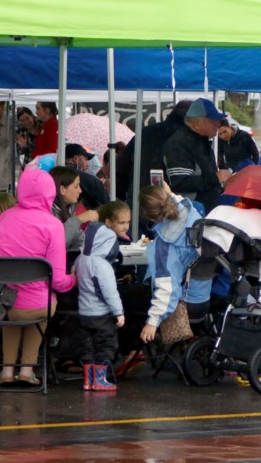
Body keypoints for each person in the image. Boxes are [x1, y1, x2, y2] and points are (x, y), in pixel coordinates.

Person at [0, 168, 77, 386]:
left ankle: (7, 371)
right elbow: (57, 280)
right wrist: (73, 279)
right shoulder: (52, 225)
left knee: (13, 311)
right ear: (50, 193)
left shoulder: (2, 219)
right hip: (39, 305)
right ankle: (27, 370)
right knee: (43, 305)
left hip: (2, 303)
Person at [136, 183, 212, 344]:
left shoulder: (164, 245)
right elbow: (180, 204)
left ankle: (132, 353)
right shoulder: (192, 214)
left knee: (124, 300)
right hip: (203, 298)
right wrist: (169, 194)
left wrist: (153, 321)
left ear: (147, 216)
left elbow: (168, 289)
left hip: (183, 306)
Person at [74, 201, 130, 392]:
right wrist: (119, 312)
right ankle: (99, 379)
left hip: (84, 312)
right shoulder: (102, 265)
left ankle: (88, 380)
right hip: (101, 314)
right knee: (106, 345)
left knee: (87, 346)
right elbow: (109, 292)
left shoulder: (81, 260)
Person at [163, 98, 231, 213]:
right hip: (192, 215)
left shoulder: (200, 140)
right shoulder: (180, 143)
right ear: (198, 123)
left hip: (204, 210)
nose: (218, 123)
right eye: (213, 120)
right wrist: (216, 178)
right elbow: (180, 183)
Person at [116, 100, 192, 202]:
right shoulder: (185, 137)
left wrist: (126, 193)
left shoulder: (145, 132)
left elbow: (121, 166)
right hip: (170, 202)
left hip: (139, 198)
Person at [48, 165, 99, 252]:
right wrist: (78, 219)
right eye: (76, 186)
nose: (80, 190)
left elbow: (78, 239)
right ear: (62, 189)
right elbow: (57, 243)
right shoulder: (48, 212)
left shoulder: (69, 208)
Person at [65, 143, 111, 210]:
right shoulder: (90, 179)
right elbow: (106, 204)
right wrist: (107, 190)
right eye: (85, 159)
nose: (88, 164)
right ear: (75, 159)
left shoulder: (54, 173)